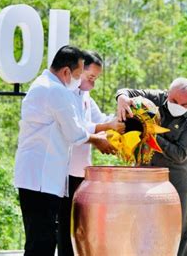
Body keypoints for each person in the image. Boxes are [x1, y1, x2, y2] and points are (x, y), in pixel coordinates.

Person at [14, 45, 116, 256]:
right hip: (41, 177)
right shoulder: (56, 91)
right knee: (42, 242)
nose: (79, 81)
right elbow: (76, 133)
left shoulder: (45, 85)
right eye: (79, 75)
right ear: (66, 72)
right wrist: (98, 140)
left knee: (41, 239)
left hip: (39, 177)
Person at [116, 77, 187, 256]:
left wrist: (150, 133)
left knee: (177, 228)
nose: (177, 105)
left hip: (175, 179)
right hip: (145, 174)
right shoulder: (155, 98)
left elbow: (180, 154)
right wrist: (121, 98)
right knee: (141, 224)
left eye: (184, 104)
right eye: (173, 100)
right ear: (167, 93)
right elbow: (127, 92)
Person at [57, 50, 124, 256]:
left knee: (78, 227)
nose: (92, 83)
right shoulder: (65, 95)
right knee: (65, 227)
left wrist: (124, 120)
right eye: (90, 77)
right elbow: (79, 128)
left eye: (95, 78)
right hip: (64, 171)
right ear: (78, 71)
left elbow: (101, 119)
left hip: (80, 170)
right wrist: (103, 131)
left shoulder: (85, 95)